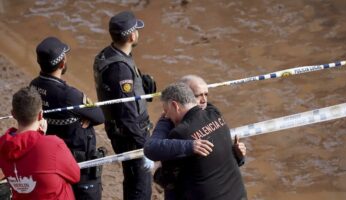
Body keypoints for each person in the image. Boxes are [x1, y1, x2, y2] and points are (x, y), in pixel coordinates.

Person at [30, 37, 106, 200]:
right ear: (62, 63)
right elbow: (99, 116)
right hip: (76, 160)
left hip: (49, 157)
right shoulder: (70, 95)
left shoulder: (33, 86)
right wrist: (84, 117)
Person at [93, 11, 156, 200]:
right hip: (131, 135)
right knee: (140, 186)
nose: (138, 32)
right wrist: (145, 146)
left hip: (123, 132)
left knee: (133, 179)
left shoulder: (109, 54)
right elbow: (126, 114)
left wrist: (141, 87)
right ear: (131, 35)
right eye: (136, 29)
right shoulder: (120, 69)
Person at [153, 82, 247, 200]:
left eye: (166, 110)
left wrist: (156, 169)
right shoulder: (214, 114)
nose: (166, 116)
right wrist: (239, 157)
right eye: (199, 95)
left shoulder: (179, 133)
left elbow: (168, 180)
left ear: (175, 105)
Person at [0, 87, 80, 199]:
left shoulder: (2, 145)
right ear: (40, 115)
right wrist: (43, 137)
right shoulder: (53, 144)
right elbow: (75, 176)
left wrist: (40, 137)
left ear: (13, 114)